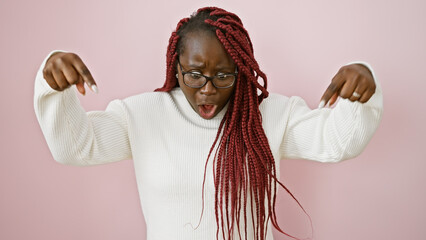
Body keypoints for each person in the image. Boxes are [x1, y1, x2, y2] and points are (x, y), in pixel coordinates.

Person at [34, 6, 383, 240]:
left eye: (223, 76)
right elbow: (75, 148)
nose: (208, 90)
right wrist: (53, 84)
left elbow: (339, 143)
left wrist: (362, 90)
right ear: (176, 67)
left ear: (241, 71)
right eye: (195, 75)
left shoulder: (272, 115)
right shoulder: (142, 114)